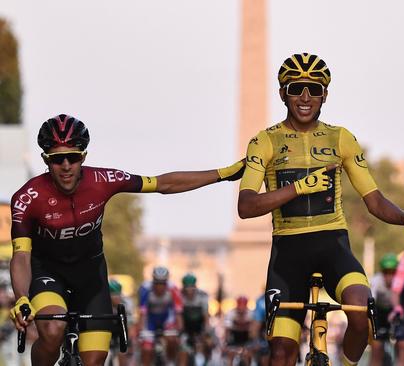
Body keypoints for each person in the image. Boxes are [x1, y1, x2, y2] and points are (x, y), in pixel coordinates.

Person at [237, 52, 404, 366]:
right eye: (297, 88)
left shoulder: (341, 138)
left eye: (314, 88)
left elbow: (375, 201)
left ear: (325, 93)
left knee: (360, 313)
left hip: (333, 246)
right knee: (281, 352)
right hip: (288, 255)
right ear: (283, 93)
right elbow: (246, 206)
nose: (305, 97)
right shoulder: (264, 141)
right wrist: (297, 188)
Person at [8, 114, 244, 366]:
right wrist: (22, 297)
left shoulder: (102, 181)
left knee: (95, 359)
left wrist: (221, 174)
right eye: (57, 159)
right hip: (48, 273)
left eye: (73, 157)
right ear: (46, 160)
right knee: (53, 331)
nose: (66, 165)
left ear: (83, 157)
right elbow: (21, 255)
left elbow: (164, 184)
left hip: (90, 275)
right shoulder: (27, 197)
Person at [137, 266, 184, 365]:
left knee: (172, 339)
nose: (160, 286)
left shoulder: (173, 288)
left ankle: (170, 362)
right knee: (146, 349)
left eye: (163, 283)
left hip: (167, 319)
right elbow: (142, 313)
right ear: (153, 281)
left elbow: (178, 312)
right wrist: (140, 330)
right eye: (157, 282)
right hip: (150, 321)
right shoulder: (145, 288)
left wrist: (180, 330)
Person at [369, 253, 398, 366]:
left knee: (402, 343)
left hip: (395, 311)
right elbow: (371, 300)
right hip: (379, 312)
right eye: (386, 272)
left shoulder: (401, 280)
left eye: (393, 272)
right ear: (382, 272)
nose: (389, 276)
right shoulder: (376, 280)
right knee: (377, 346)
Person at [178, 273, 214, 366]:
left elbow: (205, 315)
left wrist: (207, 331)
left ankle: (206, 360)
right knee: (182, 348)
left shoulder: (202, 295)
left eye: (191, 287)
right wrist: (180, 330)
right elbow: (178, 315)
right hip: (185, 326)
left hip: (199, 325)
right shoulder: (179, 295)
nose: (189, 290)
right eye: (187, 287)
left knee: (207, 342)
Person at [107, 278, 136, 366]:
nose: (117, 298)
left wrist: (129, 343)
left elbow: (130, 326)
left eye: (119, 294)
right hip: (107, 331)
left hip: (120, 332)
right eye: (114, 295)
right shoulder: (103, 304)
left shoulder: (126, 304)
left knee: (122, 355)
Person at [223, 295, 253, 366]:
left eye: (243, 309)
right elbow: (227, 330)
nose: (241, 311)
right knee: (230, 353)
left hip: (246, 338)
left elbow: (253, 330)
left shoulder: (251, 314)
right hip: (234, 338)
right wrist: (226, 343)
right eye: (240, 309)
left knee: (248, 354)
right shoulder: (231, 313)